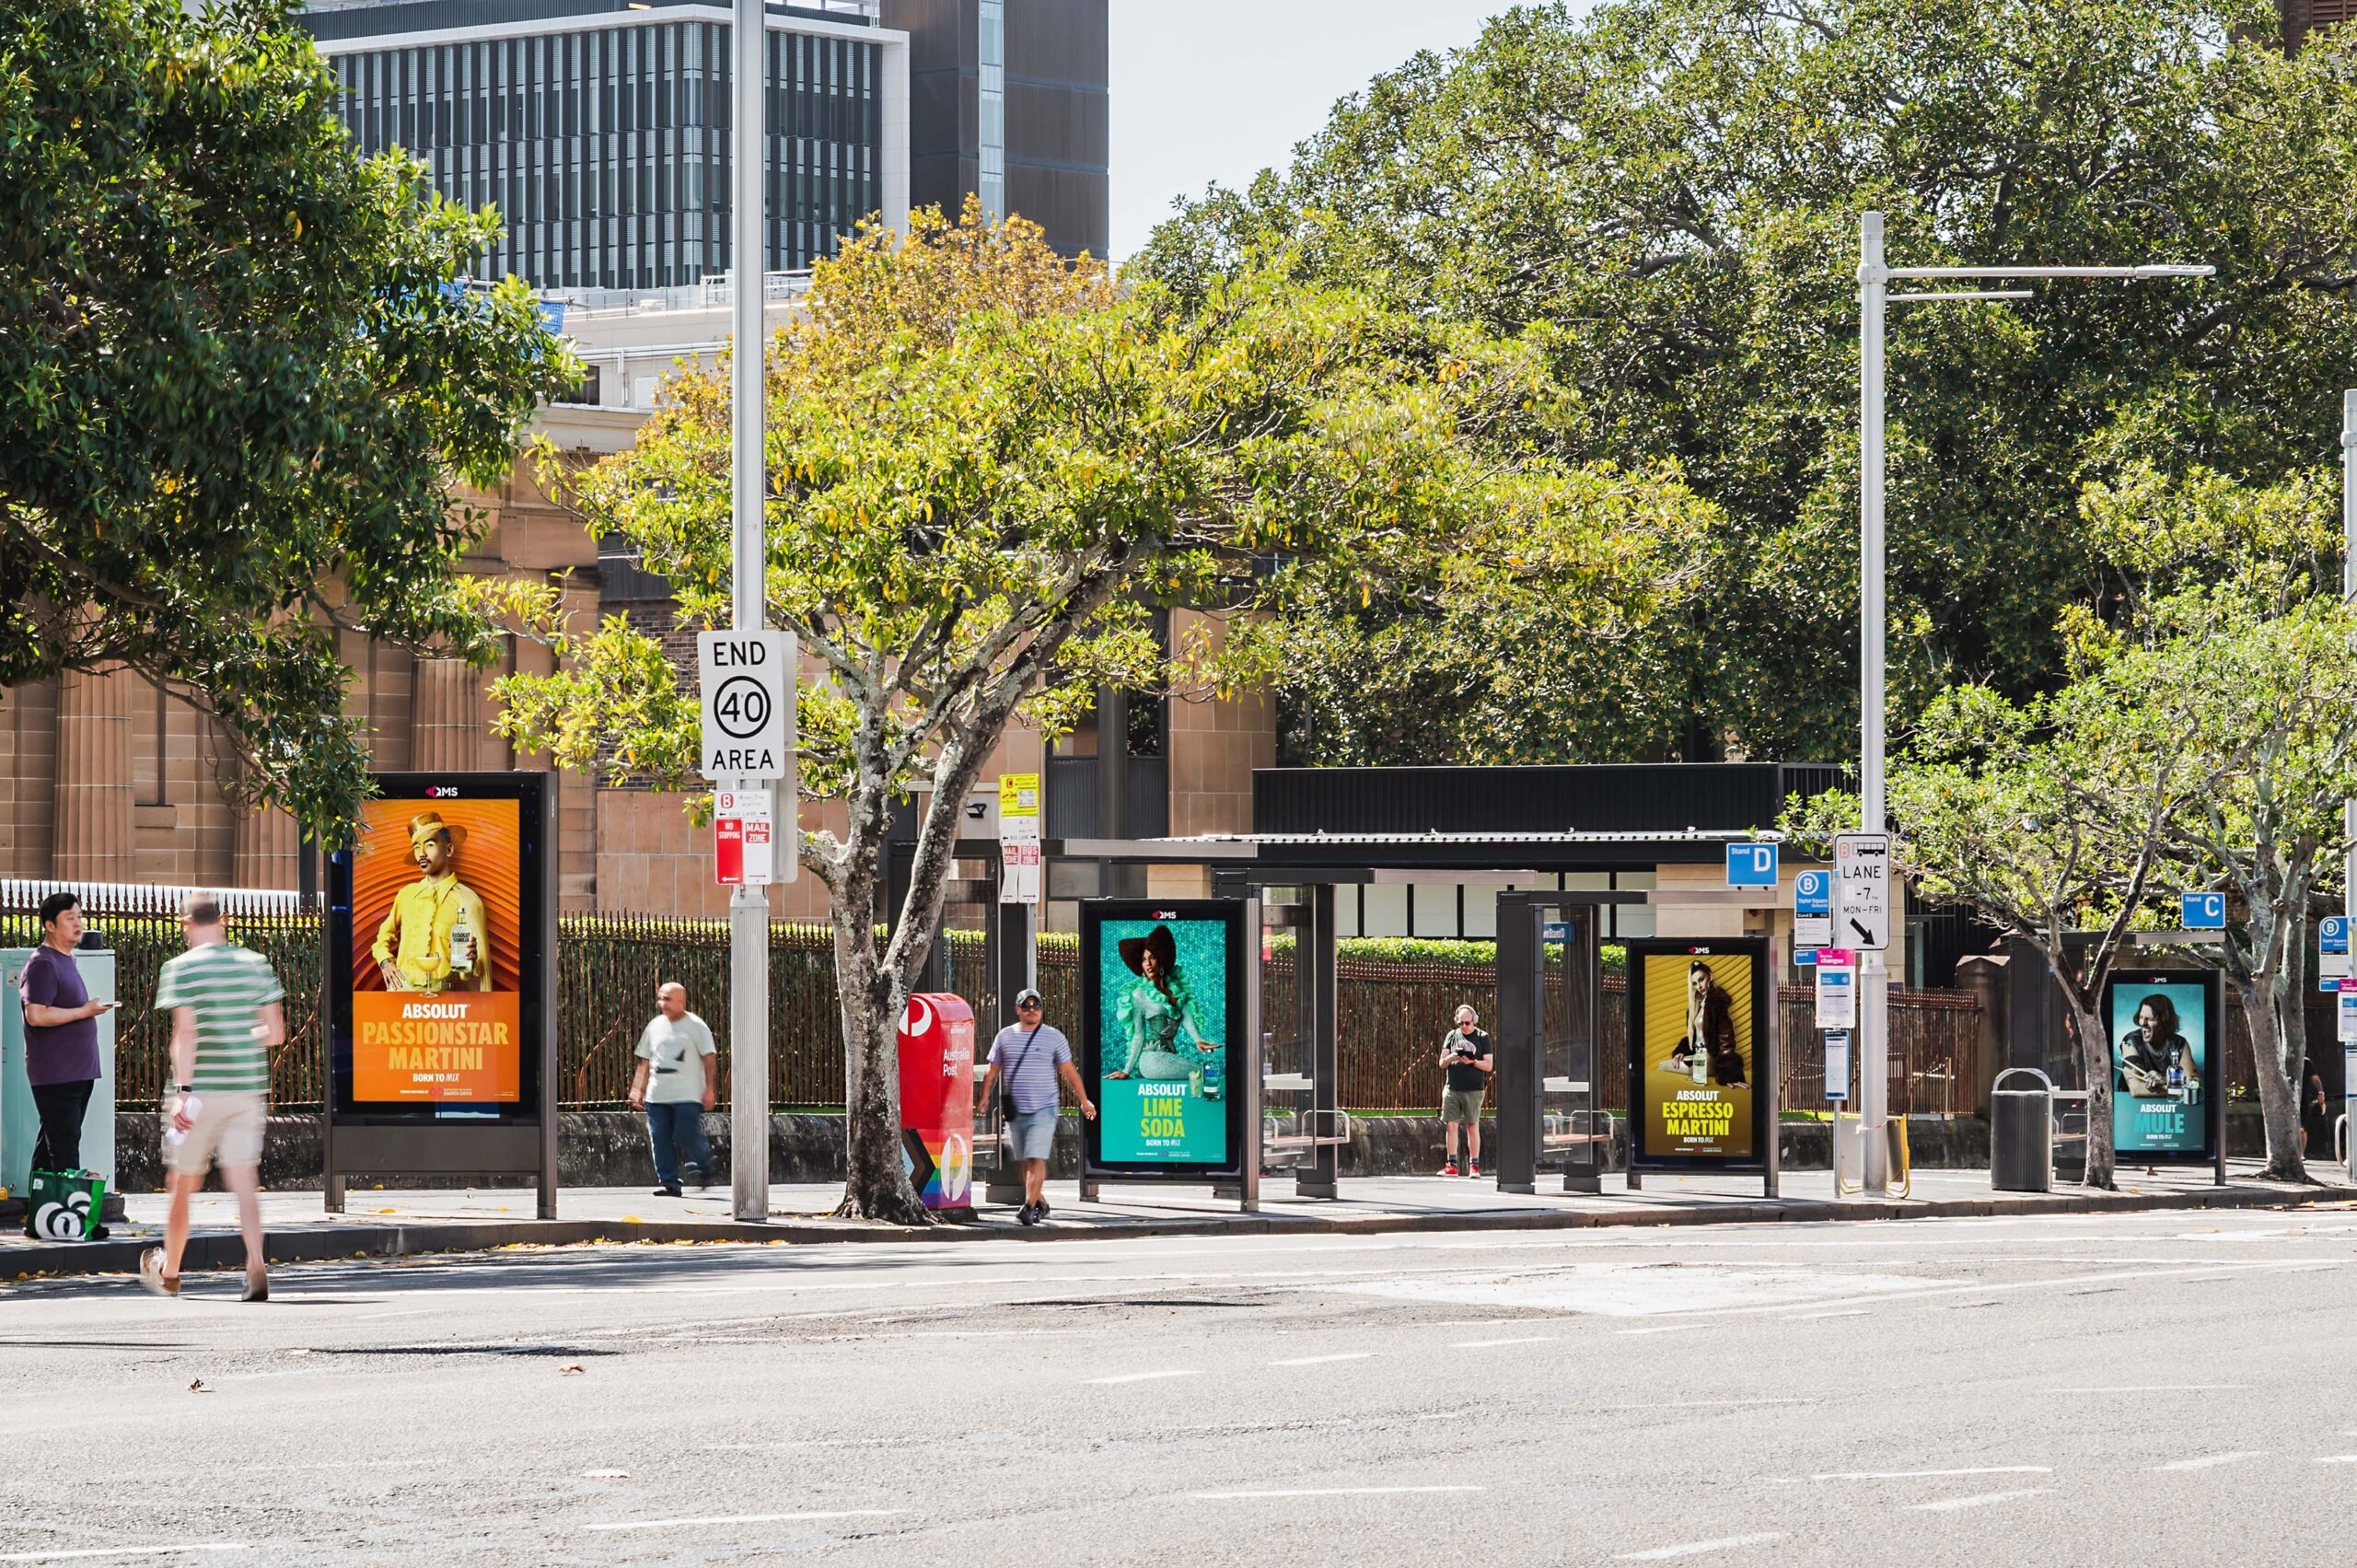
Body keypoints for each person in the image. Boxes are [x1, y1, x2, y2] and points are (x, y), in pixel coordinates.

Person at [141, 893, 284, 1302]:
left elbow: (186, 1034)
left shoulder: (181, 969)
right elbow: (274, 1033)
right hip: (246, 1090)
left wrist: (183, 1093)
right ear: (223, 920)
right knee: (244, 1181)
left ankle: (170, 1271)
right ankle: (255, 1262)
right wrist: (244, 1037)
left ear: (187, 923)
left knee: (182, 1184)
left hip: (199, 1093)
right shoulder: (255, 964)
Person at [17, 892, 117, 1239]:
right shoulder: (42, 963)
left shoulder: (66, 960)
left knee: (50, 1144)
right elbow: (37, 1013)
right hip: (57, 1073)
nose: (79, 923)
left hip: (76, 1070)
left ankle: (38, 1217)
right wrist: (84, 1012)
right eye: (70, 918)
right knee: (64, 1145)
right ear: (49, 925)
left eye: (79, 916)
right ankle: (74, 1219)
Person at [976, 987, 1095, 1226]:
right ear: (1018, 1009)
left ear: (1041, 1009)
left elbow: (1069, 1071)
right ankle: (1039, 1200)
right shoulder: (1005, 1036)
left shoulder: (1054, 1037)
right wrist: (984, 1097)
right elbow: (992, 1070)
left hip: (1044, 1107)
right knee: (1024, 1160)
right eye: (1027, 1006)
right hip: (1015, 1108)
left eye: (1036, 1006)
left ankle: (1029, 1208)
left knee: (1035, 1156)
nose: (1032, 1010)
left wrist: (1084, 1100)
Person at [370, 811, 492, 993]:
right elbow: (382, 938)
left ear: (449, 850)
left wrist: (470, 961)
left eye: (430, 844)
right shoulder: (406, 895)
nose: (422, 854)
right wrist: (385, 961)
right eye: (417, 847)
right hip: (401, 999)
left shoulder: (468, 900)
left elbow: (476, 974)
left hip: (443, 1003)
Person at [1106, 923, 1221, 1094]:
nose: (1148, 964)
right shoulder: (1139, 995)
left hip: (1169, 1056)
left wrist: (1198, 1039)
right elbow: (1139, 1034)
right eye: (1144, 960)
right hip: (1151, 1061)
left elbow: (1186, 1016)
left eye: (1152, 958)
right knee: (1205, 1073)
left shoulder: (1176, 990)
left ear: (1161, 960)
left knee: (1206, 1074)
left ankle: (1199, 1107)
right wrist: (1127, 1070)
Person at [629, 982, 716, 1196]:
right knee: (659, 1138)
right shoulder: (654, 1026)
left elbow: (709, 1057)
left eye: (668, 999)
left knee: (685, 1133)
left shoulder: (696, 1025)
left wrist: (710, 1089)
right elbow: (645, 1060)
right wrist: (638, 1088)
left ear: (681, 1001)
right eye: (660, 998)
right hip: (657, 1094)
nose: (662, 1003)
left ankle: (705, 1166)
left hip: (687, 1094)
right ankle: (670, 1183)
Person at [1666, 961, 1745, 1086]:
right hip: (1696, 1055)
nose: (1699, 986)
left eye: (1701, 980)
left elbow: (1726, 1038)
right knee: (1664, 1065)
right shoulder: (1697, 1007)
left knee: (1691, 1071)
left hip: (1709, 1058)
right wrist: (1682, 1051)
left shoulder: (1717, 1004)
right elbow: (1697, 1036)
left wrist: (1730, 1073)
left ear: (1710, 976)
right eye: (1695, 983)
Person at [1437, 1004, 1492, 1178]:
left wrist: (1473, 1062)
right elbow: (1441, 1063)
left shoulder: (1483, 1037)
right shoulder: (1452, 1036)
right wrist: (1451, 1057)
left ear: (1474, 1021)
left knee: (1472, 1125)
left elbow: (1489, 1065)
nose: (1464, 1027)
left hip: (1474, 1089)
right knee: (1451, 1125)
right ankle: (1451, 1164)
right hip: (1453, 1088)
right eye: (1461, 1023)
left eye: (1467, 1023)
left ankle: (1474, 1165)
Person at [2116, 993, 2199, 1099]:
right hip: (2129, 1104)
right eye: (2141, 1017)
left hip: (2170, 1105)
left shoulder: (2179, 1043)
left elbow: (2194, 1083)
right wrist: (2179, 1089)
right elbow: (2136, 1089)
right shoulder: (2131, 1041)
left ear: (2164, 1021)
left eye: (2149, 1019)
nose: (2142, 1023)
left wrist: (2164, 1079)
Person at [2302, 1072, 2332, 1160]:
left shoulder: (2306, 1062)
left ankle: (2302, 1152)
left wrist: (2320, 1093)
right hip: (2299, 1099)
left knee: (2304, 1126)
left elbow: (2316, 1079)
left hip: (2308, 1099)